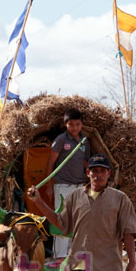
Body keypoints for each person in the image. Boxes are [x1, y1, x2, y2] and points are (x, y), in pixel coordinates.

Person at [43, 108, 91, 261]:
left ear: (82, 124)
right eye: (71, 124)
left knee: (77, 220)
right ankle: (59, 256)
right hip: (62, 185)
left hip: (80, 186)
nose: (74, 127)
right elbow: (50, 163)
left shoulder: (84, 141)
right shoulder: (61, 140)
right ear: (65, 124)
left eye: (77, 124)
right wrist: (49, 185)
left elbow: (85, 162)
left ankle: (73, 256)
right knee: (61, 220)